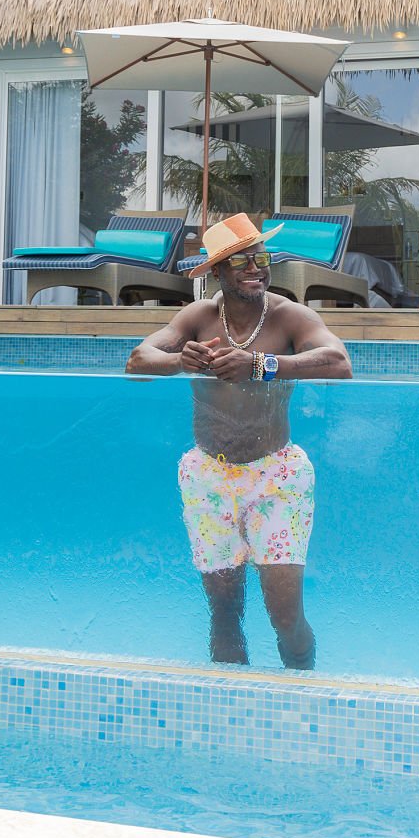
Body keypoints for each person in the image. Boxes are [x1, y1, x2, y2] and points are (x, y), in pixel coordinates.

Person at [126, 213, 352, 669]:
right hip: (208, 476)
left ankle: (302, 703)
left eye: (261, 258)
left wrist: (263, 365)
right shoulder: (198, 316)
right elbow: (137, 359)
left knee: (285, 616)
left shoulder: (289, 315)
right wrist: (179, 363)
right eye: (240, 261)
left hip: (277, 476)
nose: (255, 268)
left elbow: (339, 362)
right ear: (217, 272)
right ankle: (232, 715)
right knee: (224, 614)